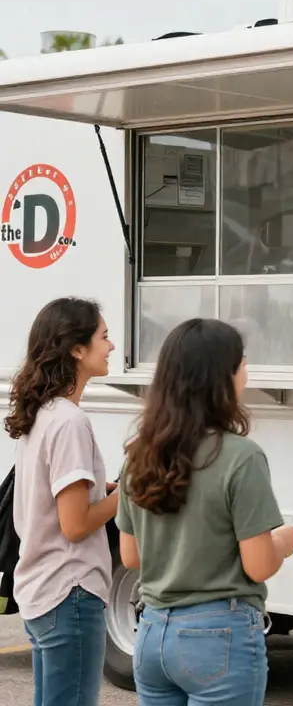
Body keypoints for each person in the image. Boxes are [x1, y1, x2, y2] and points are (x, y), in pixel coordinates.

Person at [116, 317, 293, 705]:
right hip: (219, 635)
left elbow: (131, 556)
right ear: (220, 379)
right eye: (242, 363)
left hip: (150, 633)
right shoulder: (241, 457)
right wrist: (280, 542)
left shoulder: (138, 456)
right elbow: (259, 566)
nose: (246, 371)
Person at [4, 297, 119, 706]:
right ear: (76, 348)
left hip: (41, 589)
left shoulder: (42, 414)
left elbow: (52, 500)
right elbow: (75, 524)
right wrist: (128, 495)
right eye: (103, 336)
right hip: (70, 590)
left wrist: (100, 490)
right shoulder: (70, 422)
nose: (111, 346)